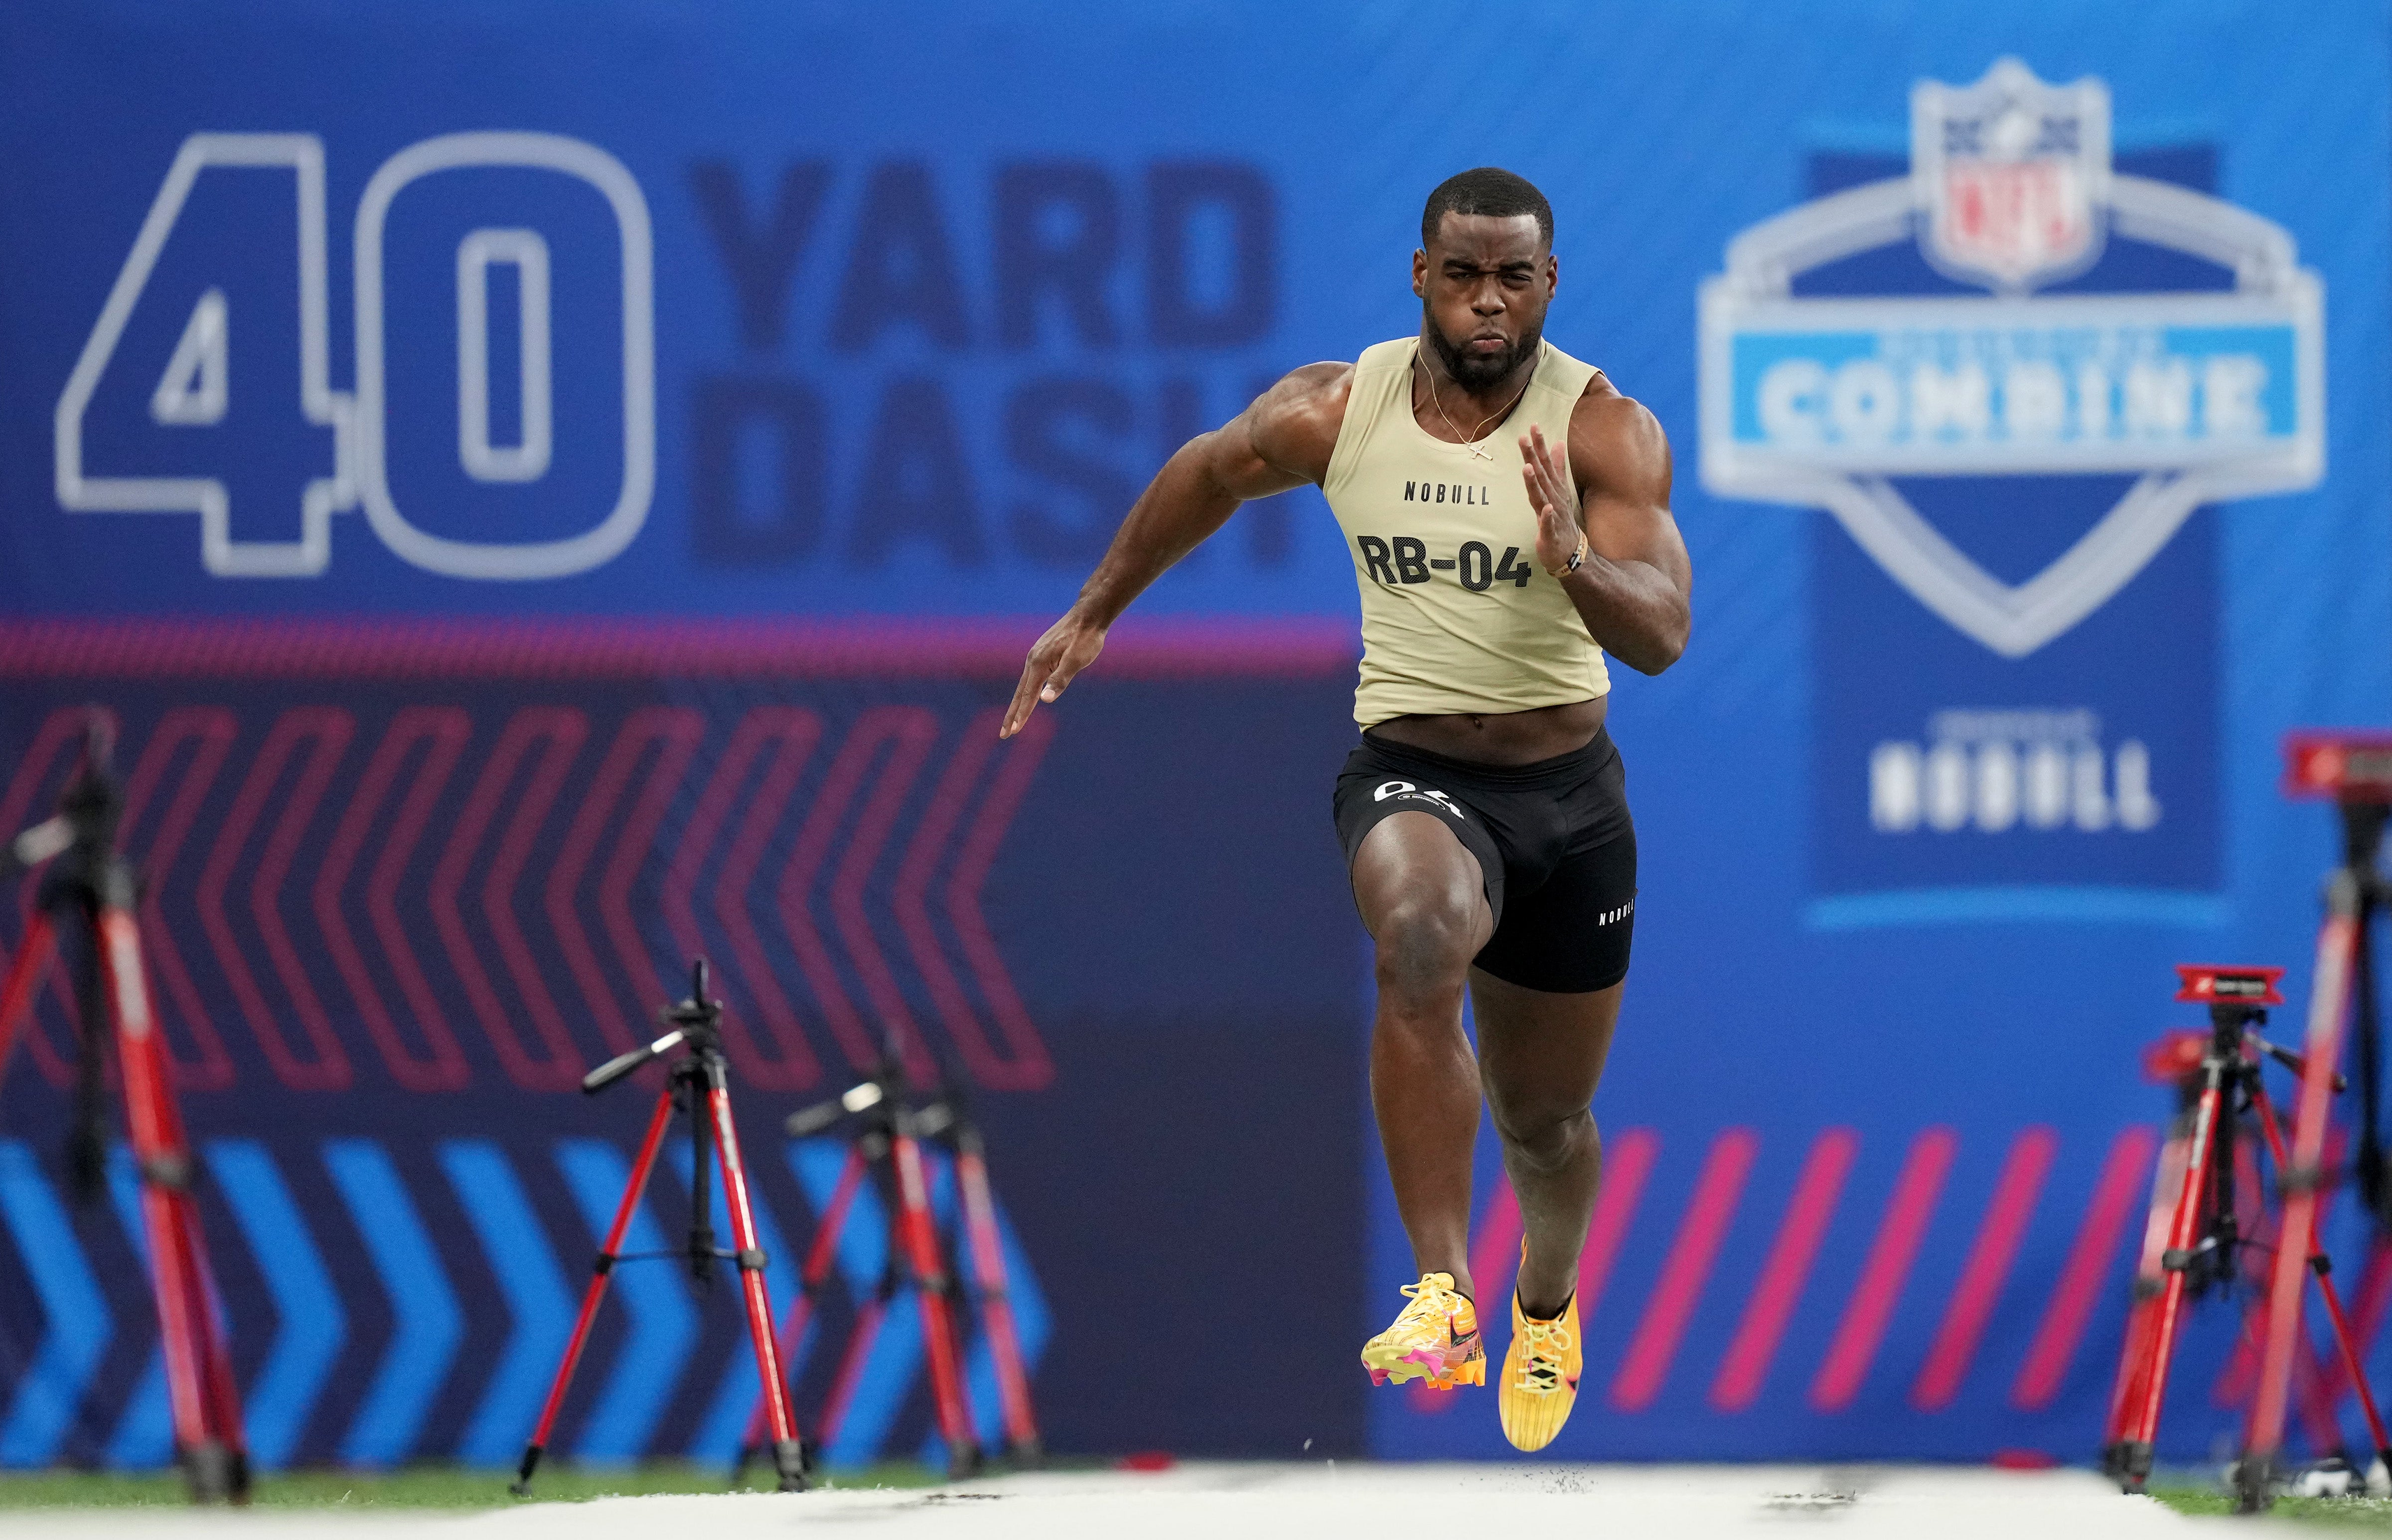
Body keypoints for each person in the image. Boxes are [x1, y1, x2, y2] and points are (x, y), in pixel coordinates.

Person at [1000, 166, 1691, 1452]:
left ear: (1550, 285)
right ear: (1423, 275)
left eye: (1516, 278)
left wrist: (1575, 558)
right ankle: (1441, 1291)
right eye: (1464, 275)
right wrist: (1095, 609)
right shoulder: (1336, 408)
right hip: (1415, 769)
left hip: (1568, 795)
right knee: (1419, 936)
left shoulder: (1604, 432)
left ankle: (1545, 1304)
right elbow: (1210, 472)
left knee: (1546, 1122)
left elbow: (1663, 637)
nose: (1489, 302)